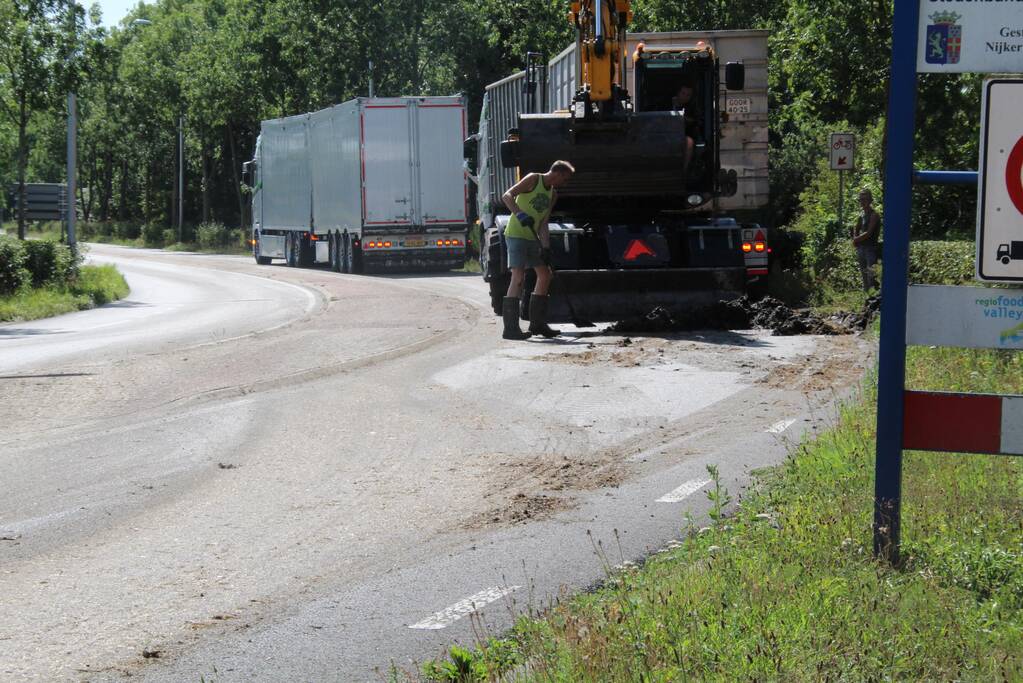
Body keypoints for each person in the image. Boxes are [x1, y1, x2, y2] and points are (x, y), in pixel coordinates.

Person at [500, 160, 576, 340]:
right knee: (518, 276)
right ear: (557, 173)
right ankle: (510, 329)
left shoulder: (553, 194)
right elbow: (507, 196)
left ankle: (537, 324)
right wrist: (520, 214)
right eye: (564, 179)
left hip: (533, 237)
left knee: (545, 274)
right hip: (516, 234)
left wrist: (546, 247)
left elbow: (543, 222)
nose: (564, 183)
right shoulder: (534, 179)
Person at [852, 188, 881, 292]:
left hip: (871, 249)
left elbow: (869, 233)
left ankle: (874, 299)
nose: (862, 202)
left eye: (865, 199)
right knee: (864, 276)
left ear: (870, 200)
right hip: (861, 248)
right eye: (861, 200)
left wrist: (855, 239)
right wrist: (855, 238)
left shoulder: (874, 215)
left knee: (871, 277)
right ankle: (867, 300)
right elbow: (857, 228)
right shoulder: (861, 215)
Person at [671, 81, 699, 175]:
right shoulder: (663, 102)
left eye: (688, 95)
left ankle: (683, 173)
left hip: (682, 135)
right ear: (678, 93)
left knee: (689, 142)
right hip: (664, 134)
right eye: (683, 93)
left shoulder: (691, 107)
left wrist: (683, 119)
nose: (685, 97)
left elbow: (694, 120)